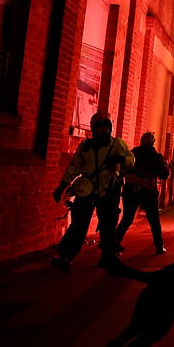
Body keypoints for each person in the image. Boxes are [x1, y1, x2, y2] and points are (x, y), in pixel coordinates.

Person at [52, 112, 134, 270]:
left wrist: (120, 160)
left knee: (108, 225)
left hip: (109, 189)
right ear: (93, 129)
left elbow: (131, 160)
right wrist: (62, 186)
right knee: (79, 224)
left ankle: (108, 256)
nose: (103, 131)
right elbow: (74, 167)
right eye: (100, 128)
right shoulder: (85, 147)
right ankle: (66, 256)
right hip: (87, 189)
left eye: (106, 128)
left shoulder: (116, 144)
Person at [115, 132, 170, 254]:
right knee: (154, 220)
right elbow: (164, 174)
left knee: (127, 218)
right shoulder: (156, 157)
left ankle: (114, 243)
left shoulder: (132, 153)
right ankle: (159, 246)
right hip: (148, 191)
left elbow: (123, 169)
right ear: (152, 142)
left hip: (131, 190)